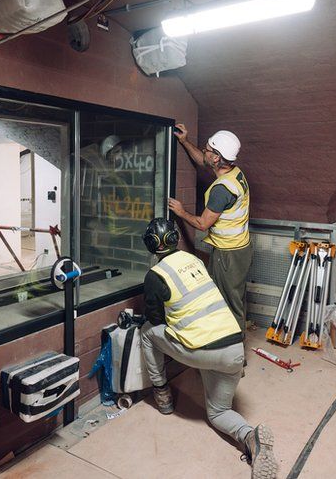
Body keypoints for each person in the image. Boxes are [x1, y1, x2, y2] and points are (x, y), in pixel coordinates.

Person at [139, 218, 277, 479]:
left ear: (150, 245)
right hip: (235, 351)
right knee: (219, 413)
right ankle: (251, 439)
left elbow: (156, 320)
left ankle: (162, 395)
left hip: (204, 352)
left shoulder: (155, 276)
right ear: (176, 238)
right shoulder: (195, 261)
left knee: (147, 332)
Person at [168, 125, 253, 336]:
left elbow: (202, 224)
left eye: (207, 149)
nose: (204, 151)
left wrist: (181, 212)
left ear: (217, 158)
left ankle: (233, 361)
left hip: (228, 255)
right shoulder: (233, 172)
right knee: (233, 298)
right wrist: (185, 141)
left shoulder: (222, 190)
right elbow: (202, 160)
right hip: (240, 248)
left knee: (229, 304)